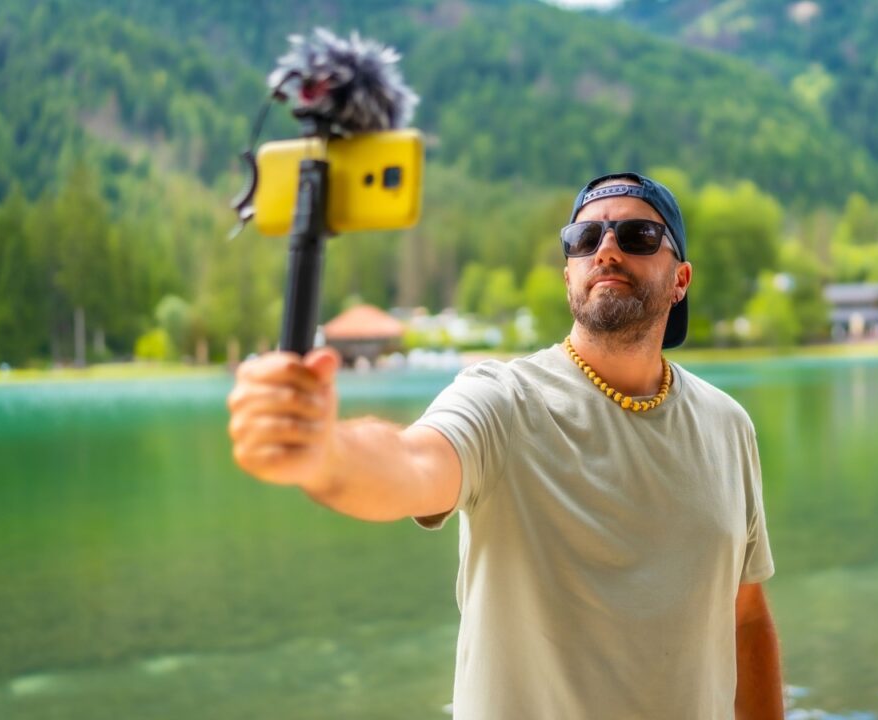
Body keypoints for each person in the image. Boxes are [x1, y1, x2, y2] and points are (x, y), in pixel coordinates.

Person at [227, 172, 784, 719]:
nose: (607, 250)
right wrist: (324, 452)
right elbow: (411, 464)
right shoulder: (503, 400)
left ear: (681, 278)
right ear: (568, 275)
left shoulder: (728, 425)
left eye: (637, 236)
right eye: (584, 240)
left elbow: (746, 618)